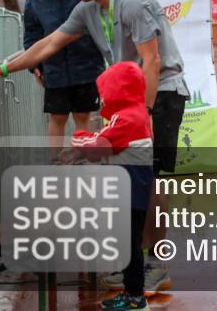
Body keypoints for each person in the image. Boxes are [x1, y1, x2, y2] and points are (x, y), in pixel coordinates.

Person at [0, 0, 185, 294]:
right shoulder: (86, 10)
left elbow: (152, 62)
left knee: (152, 179)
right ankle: (132, 262)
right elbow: (49, 43)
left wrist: (141, 117)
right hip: (128, 105)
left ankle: (156, 264)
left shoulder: (134, 2)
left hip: (159, 95)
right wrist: (2, 67)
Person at [64, 62, 154, 311]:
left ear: (117, 90)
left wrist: (79, 137)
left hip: (130, 193)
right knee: (129, 243)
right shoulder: (134, 113)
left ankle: (135, 297)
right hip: (132, 190)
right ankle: (132, 292)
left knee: (129, 245)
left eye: (105, 92)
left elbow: (98, 146)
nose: (102, 98)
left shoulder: (126, 118)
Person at [23, 0, 106, 139]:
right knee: (57, 117)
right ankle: (56, 164)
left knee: (82, 115)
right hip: (54, 68)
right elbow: (32, 33)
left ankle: (85, 163)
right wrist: (35, 64)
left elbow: (99, 23)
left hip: (86, 66)